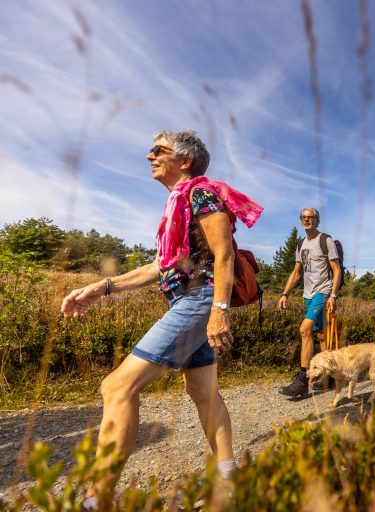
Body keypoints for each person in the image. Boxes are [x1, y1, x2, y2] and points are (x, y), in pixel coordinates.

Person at [60, 130, 263, 505]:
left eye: (159, 150)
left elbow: (224, 256)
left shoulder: (202, 193)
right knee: (202, 391)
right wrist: (100, 287)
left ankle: (98, 498)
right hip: (186, 300)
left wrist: (219, 312)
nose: (149, 155)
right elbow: (160, 266)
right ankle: (230, 483)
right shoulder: (179, 204)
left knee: (117, 387)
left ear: (184, 161)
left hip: (198, 300)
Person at [278, 208, 341, 397]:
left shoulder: (325, 240)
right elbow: (297, 273)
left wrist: (333, 295)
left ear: (317, 220)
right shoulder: (300, 244)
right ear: (301, 220)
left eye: (311, 217)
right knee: (321, 336)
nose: (307, 220)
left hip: (323, 292)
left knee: (305, 330)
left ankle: (303, 379)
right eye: (304, 217)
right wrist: (285, 294)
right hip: (308, 295)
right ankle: (330, 376)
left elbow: (336, 270)